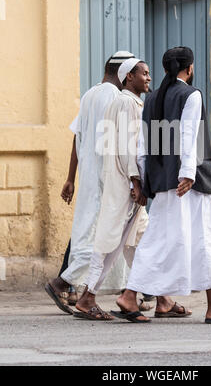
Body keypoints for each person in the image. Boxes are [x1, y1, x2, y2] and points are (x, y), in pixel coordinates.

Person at [117, 46, 211, 324]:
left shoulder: (151, 99)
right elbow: (190, 136)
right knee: (204, 240)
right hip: (189, 184)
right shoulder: (192, 94)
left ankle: (142, 298)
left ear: (166, 70)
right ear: (188, 69)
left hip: (163, 185)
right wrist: (188, 173)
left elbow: (142, 144)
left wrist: (142, 180)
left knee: (162, 241)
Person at [74, 58, 192, 321]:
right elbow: (129, 146)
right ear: (129, 77)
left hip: (125, 184)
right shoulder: (127, 102)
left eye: (150, 74)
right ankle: (87, 298)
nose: (149, 78)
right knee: (109, 243)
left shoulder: (127, 101)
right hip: (126, 187)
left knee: (139, 242)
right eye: (144, 74)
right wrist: (135, 182)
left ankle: (163, 299)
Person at [45, 51, 135, 314]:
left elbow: (77, 137)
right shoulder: (116, 98)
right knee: (99, 239)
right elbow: (117, 143)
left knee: (96, 235)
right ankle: (63, 282)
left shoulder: (90, 94)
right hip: (105, 181)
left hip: (88, 179)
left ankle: (140, 291)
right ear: (123, 74)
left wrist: (70, 178)